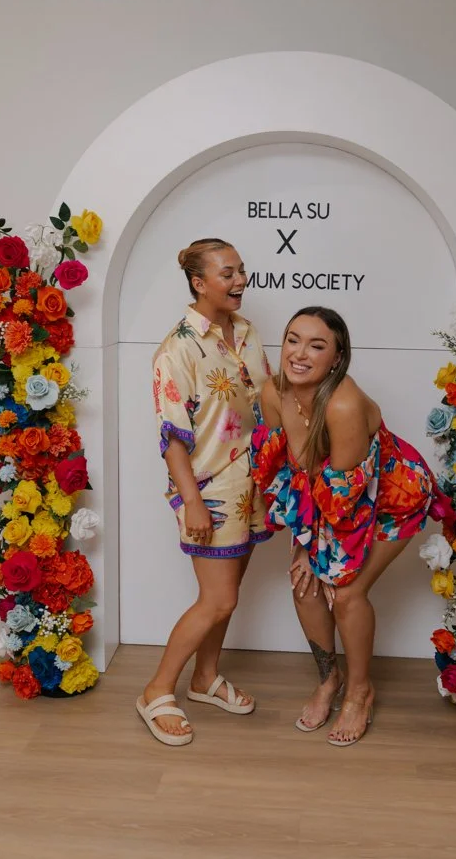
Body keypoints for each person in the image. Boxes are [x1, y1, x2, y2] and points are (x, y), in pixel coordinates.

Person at [251, 306, 449, 747]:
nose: (300, 354)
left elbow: (344, 506)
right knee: (303, 583)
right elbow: (284, 472)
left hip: (391, 496)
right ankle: (329, 680)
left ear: (337, 358)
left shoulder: (342, 404)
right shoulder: (272, 394)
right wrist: (303, 548)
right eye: (293, 339)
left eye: (316, 346)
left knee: (346, 591)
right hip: (332, 498)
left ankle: (360, 692)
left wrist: (322, 556)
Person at [137, 238, 272, 746]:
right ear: (199, 282)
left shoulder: (248, 332)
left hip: (252, 485)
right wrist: (192, 500)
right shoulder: (177, 348)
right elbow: (172, 434)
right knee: (217, 599)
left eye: (241, 270)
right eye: (228, 274)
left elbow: (267, 400)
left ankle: (204, 678)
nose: (240, 281)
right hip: (210, 490)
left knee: (226, 599)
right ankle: (155, 689)